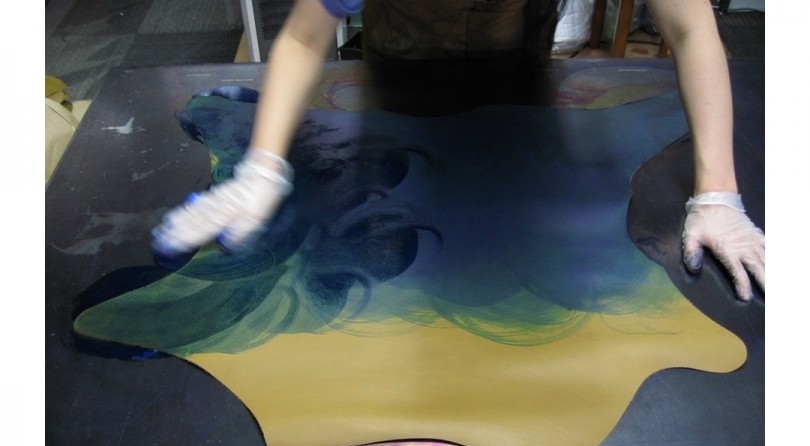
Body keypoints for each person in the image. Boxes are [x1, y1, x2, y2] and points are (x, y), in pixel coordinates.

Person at [151, 0, 765, 301]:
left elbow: (690, 27)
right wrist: (262, 165)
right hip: (394, 100)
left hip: (521, 114)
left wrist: (717, 190)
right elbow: (304, 37)